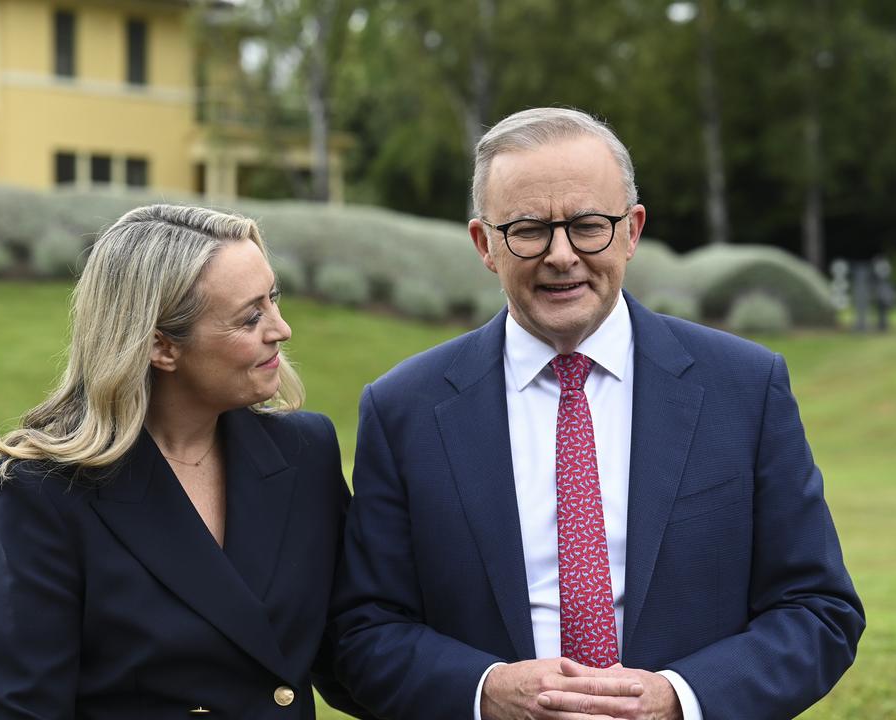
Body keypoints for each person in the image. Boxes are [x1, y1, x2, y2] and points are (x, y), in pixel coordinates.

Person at [331, 108, 865, 720]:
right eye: (529, 229)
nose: (561, 255)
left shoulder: (744, 387)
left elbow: (818, 610)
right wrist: (487, 692)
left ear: (632, 231)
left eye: (589, 225)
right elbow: (364, 632)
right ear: (485, 244)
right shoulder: (405, 409)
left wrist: (679, 700)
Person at [0, 204, 367, 719]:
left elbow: (351, 650)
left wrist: (477, 688)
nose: (282, 328)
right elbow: (20, 708)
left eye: (274, 298)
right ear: (162, 346)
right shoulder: (41, 489)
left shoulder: (306, 452)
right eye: (251, 316)